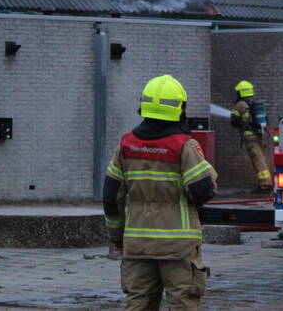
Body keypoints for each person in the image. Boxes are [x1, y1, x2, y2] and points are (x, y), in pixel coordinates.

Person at [103, 75, 218, 311]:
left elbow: (111, 197)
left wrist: (117, 237)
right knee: (183, 304)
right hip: (178, 246)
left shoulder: (126, 144)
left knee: (138, 304)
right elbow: (204, 189)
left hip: (137, 245)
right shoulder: (184, 146)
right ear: (180, 108)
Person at [229, 80, 272, 193]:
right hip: (257, 136)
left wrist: (241, 123)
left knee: (257, 159)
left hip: (249, 137)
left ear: (241, 92)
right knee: (258, 158)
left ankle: (265, 185)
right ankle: (265, 183)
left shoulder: (240, 105)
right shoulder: (253, 104)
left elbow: (233, 120)